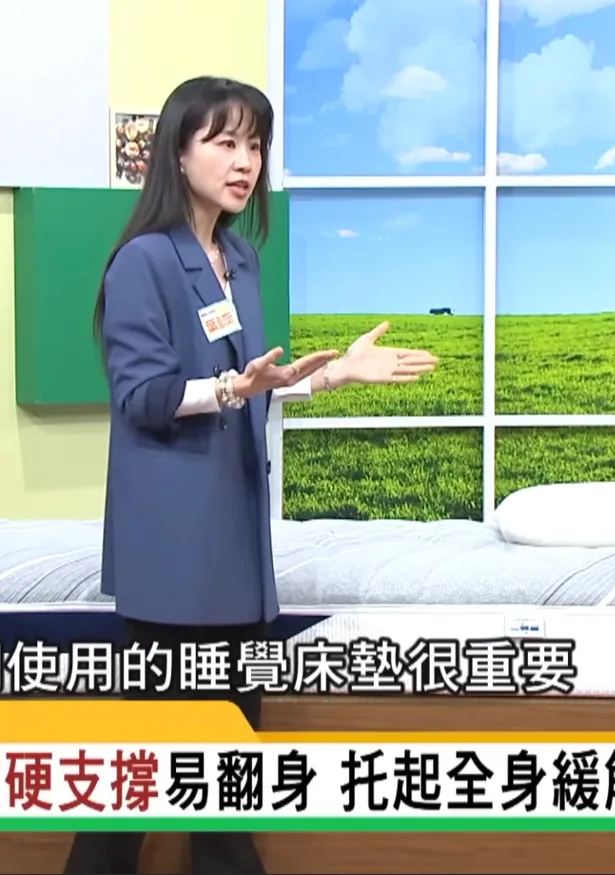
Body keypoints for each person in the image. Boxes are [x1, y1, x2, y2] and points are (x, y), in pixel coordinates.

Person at [67, 75, 438, 875]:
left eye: (256, 145)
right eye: (226, 142)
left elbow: (254, 379)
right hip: (174, 548)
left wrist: (332, 376)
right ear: (178, 152)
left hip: (236, 542)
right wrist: (234, 389)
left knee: (227, 769)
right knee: (147, 769)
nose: (246, 162)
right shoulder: (143, 262)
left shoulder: (239, 258)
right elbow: (143, 397)